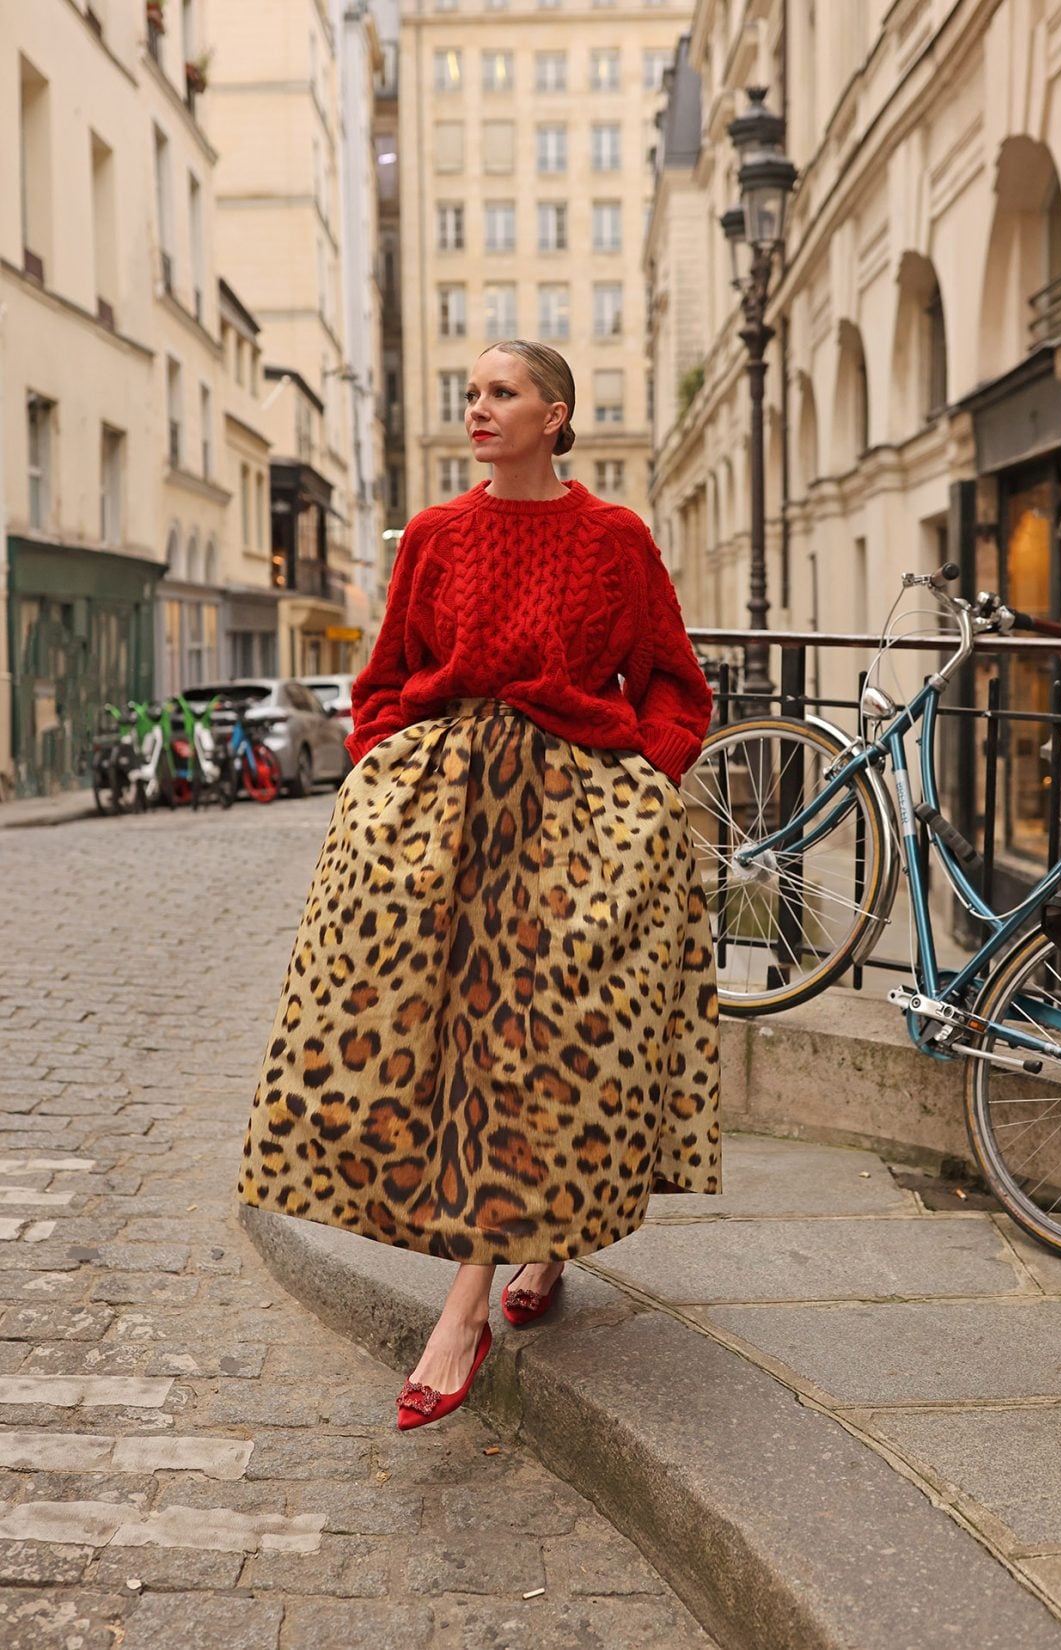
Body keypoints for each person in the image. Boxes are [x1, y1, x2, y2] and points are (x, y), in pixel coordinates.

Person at [238, 340, 721, 1430]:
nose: (477, 409)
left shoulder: (615, 539)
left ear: (554, 416)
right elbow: (382, 680)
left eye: (500, 393)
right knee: (441, 1037)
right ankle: (525, 1252)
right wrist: (378, 771)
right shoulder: (438, 535)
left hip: (574, 818)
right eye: (470, 393)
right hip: (440, 818)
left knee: (545, 1037)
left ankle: (462, 1310)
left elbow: (673, 683)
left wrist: (643, 777)